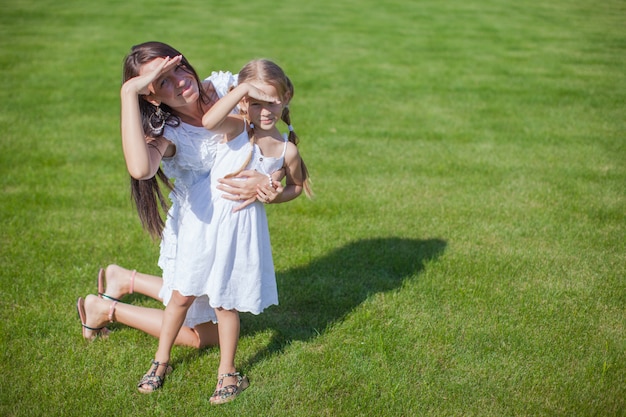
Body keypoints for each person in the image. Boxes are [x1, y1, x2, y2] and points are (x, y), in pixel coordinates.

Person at [75, 42, 282, 402]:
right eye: (162, 81)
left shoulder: (223, 87)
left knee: (212, 309)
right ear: (151, 96)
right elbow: (140, 169)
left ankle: (125, 278)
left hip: (231, 230)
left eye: (178, 67)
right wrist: (129, 93)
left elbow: (275, 136)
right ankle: (107, 308)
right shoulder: (167, 135)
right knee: (199, 334)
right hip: (198, 232)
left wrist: (269, 183)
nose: (180, 81)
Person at [199, 58, 312, 404]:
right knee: (189, 290)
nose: (265, 110)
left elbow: (298, 185)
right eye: (257, 102)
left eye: (273, 101)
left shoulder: (285, 150)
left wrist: (273, 195)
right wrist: (243, 90)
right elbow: (208, 121)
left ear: (286, 98)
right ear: (245, 101)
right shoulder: (235, 128)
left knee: (223, 298)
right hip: (209, 225)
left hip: (242, 231)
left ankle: (228, 372)